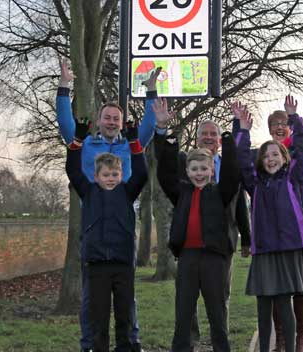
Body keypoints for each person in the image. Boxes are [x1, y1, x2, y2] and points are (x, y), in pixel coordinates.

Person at [232, 68, 303, 351]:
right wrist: (240, 129)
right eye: (275, 125)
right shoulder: (264, 159)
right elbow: (242, 162)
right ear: (270, 131)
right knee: (275, 286)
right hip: (271, 231)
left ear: (291, 125)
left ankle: (300, 338)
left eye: (284, 123)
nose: (280, 128)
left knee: (300, 282)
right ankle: (280, 339)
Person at [56, 59, 159, 352]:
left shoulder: (130, 143)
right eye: (108, 117)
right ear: (100, 121)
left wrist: (150, 91)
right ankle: (90, 344)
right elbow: (65, 123)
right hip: (93, 215)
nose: (112, 122)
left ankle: (130, 342)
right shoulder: (87, 145)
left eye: (117, 118)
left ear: (121, 121)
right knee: (93, 299)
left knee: (127, 298)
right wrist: (65, 87)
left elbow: (149, 125)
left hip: (123, 215)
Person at [152, 98, 241, 352]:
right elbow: (165, 172)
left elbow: (234, 174)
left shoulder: (219, 193)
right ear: (188, 171)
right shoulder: (181, 192)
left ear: (212, 171)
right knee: (183, 314)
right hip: (188, 259)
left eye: (204, 169)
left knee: (217, 316)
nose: (199, 173)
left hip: (215, 259)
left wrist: (230, 136)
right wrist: (164, 132)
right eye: (194, 169)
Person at [235, 96, 303, 352]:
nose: (271, 159)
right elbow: (241, 160)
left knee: (283, 304)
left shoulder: (294, 179)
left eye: (275, 154)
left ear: (284, 157)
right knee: (263, 306)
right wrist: (243, 131)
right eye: (266, 155)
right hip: (265, 250)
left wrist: (294, 119)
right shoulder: (254, 185)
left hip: (288, 248)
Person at [65, 119, 148, 352]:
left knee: (124, 315)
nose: (111, 178)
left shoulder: (127, 192)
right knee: (98, 316)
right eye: (106, 174)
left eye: (115, 174)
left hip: (122, 263)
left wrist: (134, 141)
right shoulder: (88, 192)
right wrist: (77, 141)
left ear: (121, 175)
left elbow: (141, 173)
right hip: (96, 264)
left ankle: (125, 347)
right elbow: (72, 169)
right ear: (97, 176)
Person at [189, 119, 251, 350]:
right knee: (189, 297)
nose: (208, 137)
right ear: (197, 139)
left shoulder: (229, 166)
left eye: (212, 134)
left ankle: (220, 342)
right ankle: (191, 340)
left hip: (223, 242)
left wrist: (246, 236)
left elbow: (240, 204)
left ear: (219, 140)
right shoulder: (188, 166)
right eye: (203, 133)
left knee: (220, 296)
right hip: (191, 242)